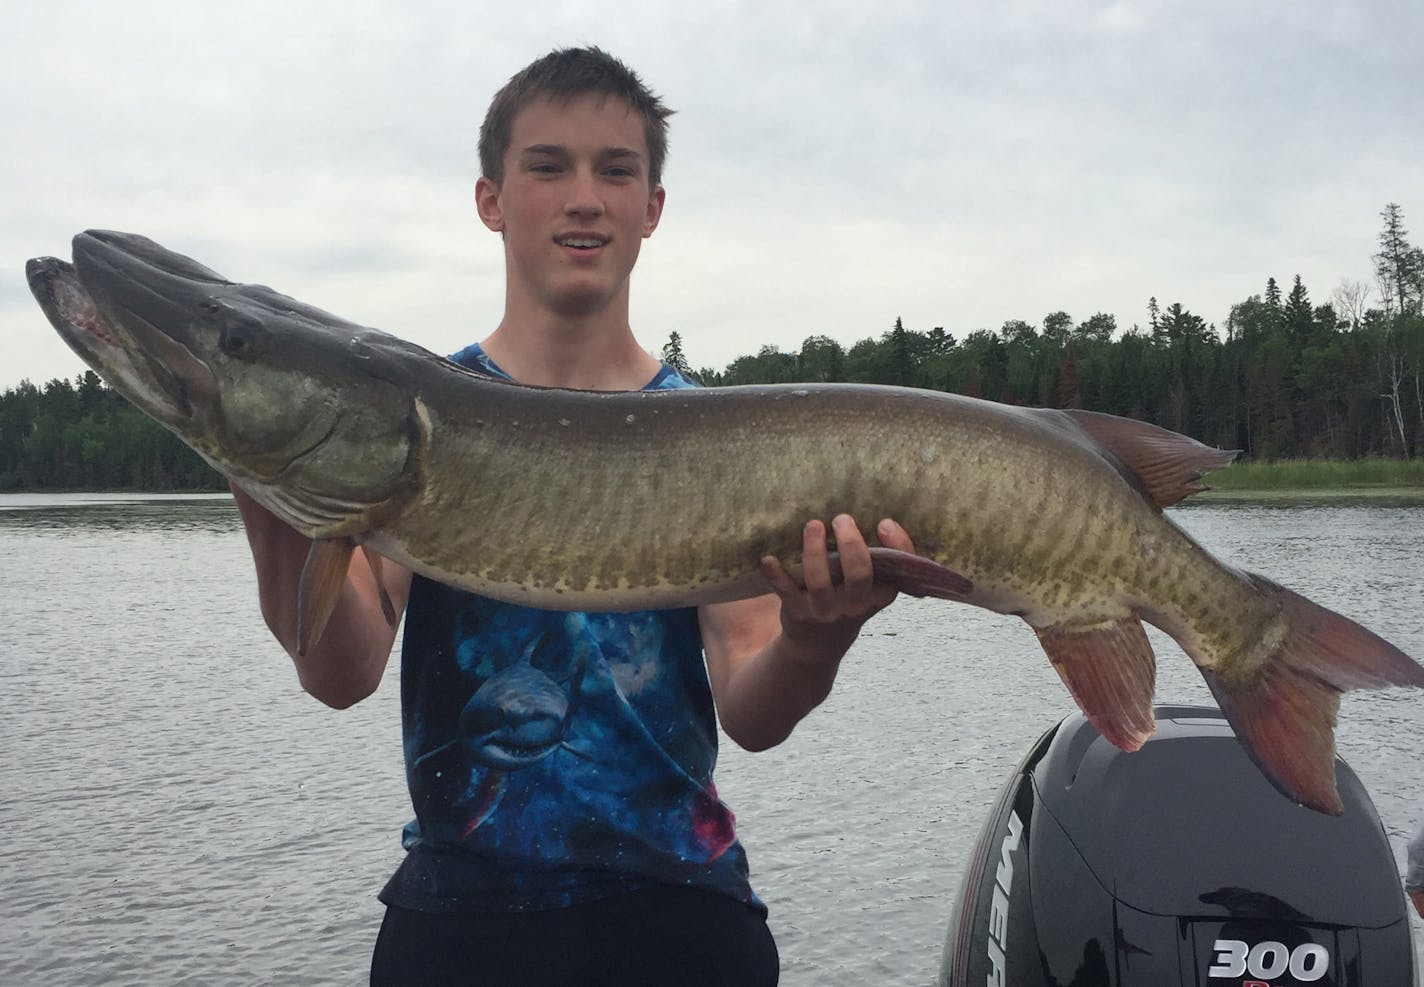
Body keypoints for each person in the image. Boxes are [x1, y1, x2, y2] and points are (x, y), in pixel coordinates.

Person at [232, 46, 915, 986]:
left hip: (680, 913)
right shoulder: (408, 418)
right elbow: (340, 670)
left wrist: (815, 638)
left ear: (652, 210)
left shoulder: (725, 437)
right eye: (547, 166)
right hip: (459, 917)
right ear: (491, 200)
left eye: (616, 169)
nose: (583, 196)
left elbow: (753, 711)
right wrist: (263, 480)